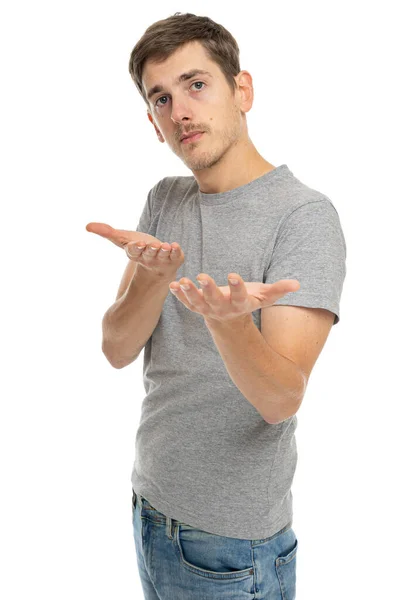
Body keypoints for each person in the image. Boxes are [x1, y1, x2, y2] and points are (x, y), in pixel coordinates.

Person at [87, 12, 346, 600]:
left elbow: (280, 399)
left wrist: (229, 325)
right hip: (150, 508)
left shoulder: (304, 218)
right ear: (153, 123)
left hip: (234, 550)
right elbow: (116, 349)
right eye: (161, 98)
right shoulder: (164, 198)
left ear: (242, 89)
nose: (180, 111)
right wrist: (153, 281)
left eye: (196, 84)